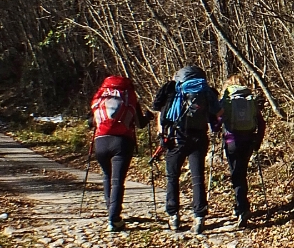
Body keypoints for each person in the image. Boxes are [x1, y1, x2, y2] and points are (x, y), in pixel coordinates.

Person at [152, 64, 222, 234]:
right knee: (198, 177)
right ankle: (199, 217)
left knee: (172, 177)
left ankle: (173, 216)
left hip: (177, 138)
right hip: (199, 137)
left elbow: (161, 115)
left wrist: (162, 137)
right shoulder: (205, 90)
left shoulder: (173, 89)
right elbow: (219, 112)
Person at [90, 74, 145, 233]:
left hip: (100, 142)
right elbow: (140, 123)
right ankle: (114, 218)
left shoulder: (100, 97)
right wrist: (148, 116)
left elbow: (90, 122)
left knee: (107, 176)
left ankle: (111, 212)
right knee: (117, 181)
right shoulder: (130, 97)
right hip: (122, 142)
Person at [217, 74, 266, 228]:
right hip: (248, 141)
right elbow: (261, 124)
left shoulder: (226, 100)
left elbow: (217, 122)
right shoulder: (249, 99)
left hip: (232, 142)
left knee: (236, 175)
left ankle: (241, 208)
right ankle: (242, 206)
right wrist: (257, 141)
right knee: (241, 173)